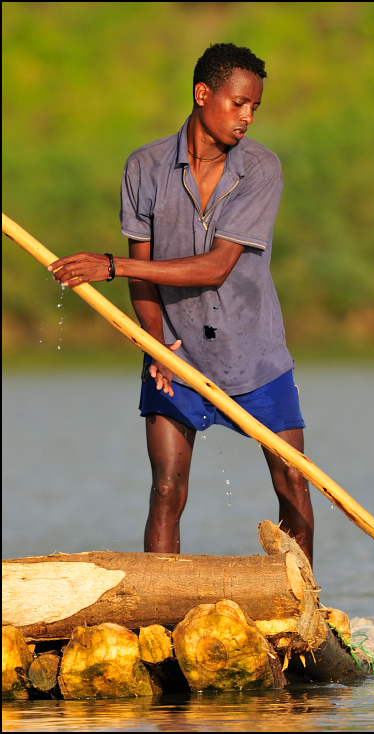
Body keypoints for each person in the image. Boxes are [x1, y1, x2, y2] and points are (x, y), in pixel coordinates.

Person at [48, 43, 315, 565]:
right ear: (203, 94)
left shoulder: (261, 168)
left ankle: (300, 616)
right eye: (239, 103)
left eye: (254, 107)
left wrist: (110, 265)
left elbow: (215, 267)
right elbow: (144, 280)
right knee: (167, 491)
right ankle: (163, 614)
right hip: (176, 351)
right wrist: (156, 344)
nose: (247, 117)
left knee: (294, 486)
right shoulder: (144, 167)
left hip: (255, 355)